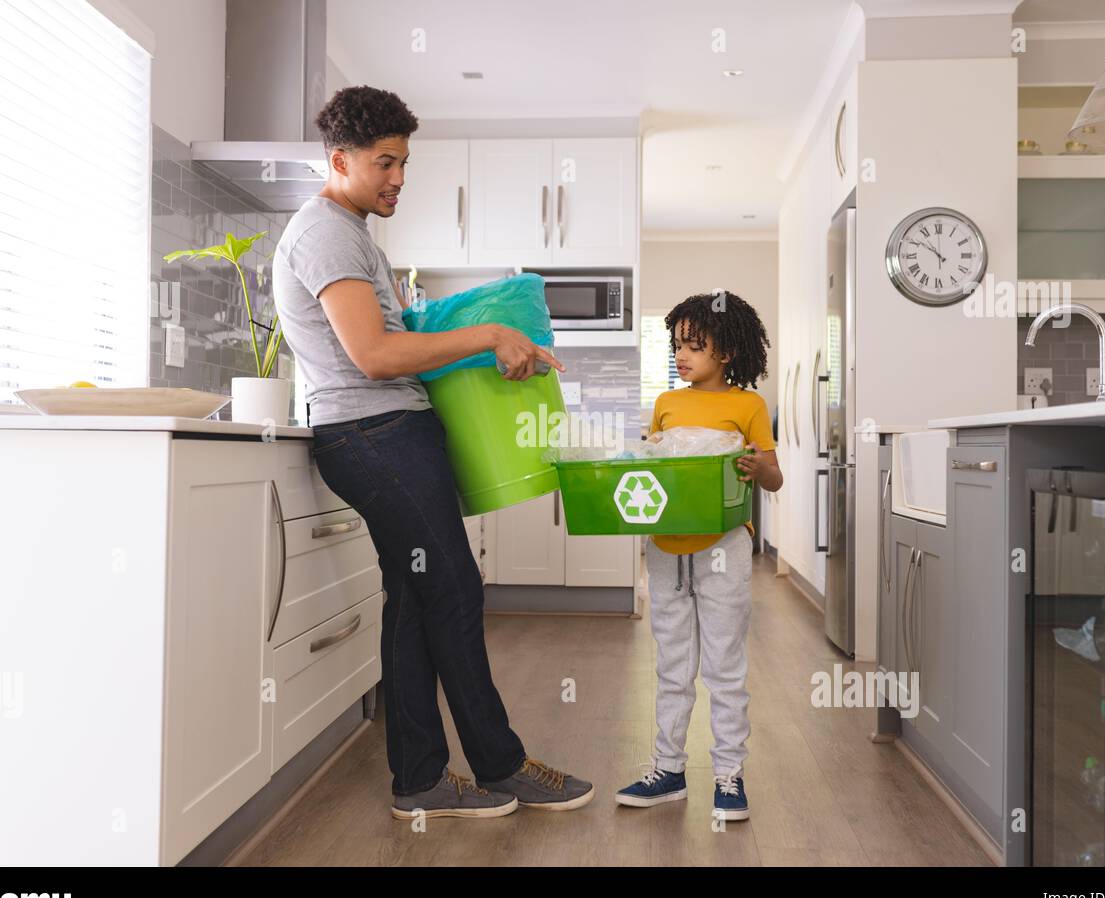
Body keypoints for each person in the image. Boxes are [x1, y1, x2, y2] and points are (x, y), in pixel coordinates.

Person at [272, 85, 593, 819]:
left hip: (385, 433)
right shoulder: (325, 233)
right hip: (374, 434)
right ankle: (502, 766)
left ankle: (419, 780)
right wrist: (486, 336)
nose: (398, 179)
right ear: (340, 159)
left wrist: (476, 327)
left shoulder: (351, 234)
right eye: (385, 163)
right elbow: (376, 354)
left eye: (404, 163)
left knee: (416, 601)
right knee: (453, 589)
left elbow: (391, 339)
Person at [615, 291, 782, 821]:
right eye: (676, 344)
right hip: (666, 549)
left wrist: (759, 470)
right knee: (672, 664)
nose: (681, 355)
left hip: (723, 551)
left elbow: (774, 477)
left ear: (727, 351)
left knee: (725, 666)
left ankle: (729, 775)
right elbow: (659, 472)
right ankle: (668, 770)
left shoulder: (747, 406)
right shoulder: (666, 403)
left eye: (694, 344)